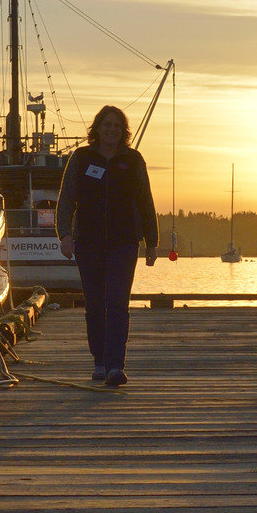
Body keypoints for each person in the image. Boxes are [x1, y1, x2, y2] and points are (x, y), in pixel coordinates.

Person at [56, 104, 158, 386]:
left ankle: (115, 365)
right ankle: (99, 361)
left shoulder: (133, 160)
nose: (111, 130)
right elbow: (67, 198)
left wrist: (152, 242)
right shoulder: (82, 158)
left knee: (117, 303)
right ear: (98, 129)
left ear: (123, 131)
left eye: (116, 126)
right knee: (94, 305)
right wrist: (65, 235)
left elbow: (145, 201)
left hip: (124, 242)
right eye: (107, 125)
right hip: (88, 242)